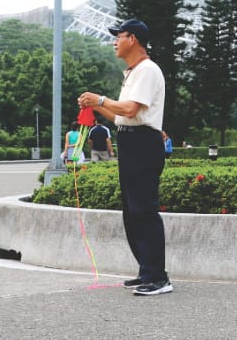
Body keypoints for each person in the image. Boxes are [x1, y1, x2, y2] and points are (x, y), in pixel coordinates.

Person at [77, 18, 172, 296]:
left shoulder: (147, 70)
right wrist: (96, 106)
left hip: (144, 142)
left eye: (119, 36)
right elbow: (121, 116)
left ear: (133, 39)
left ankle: (158, 278)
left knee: (144, 209)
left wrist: (100, 100)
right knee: (132, 211)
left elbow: (130, 109)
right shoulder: (132, 72)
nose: (114, 42)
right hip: (130, 140)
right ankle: (147, 270)